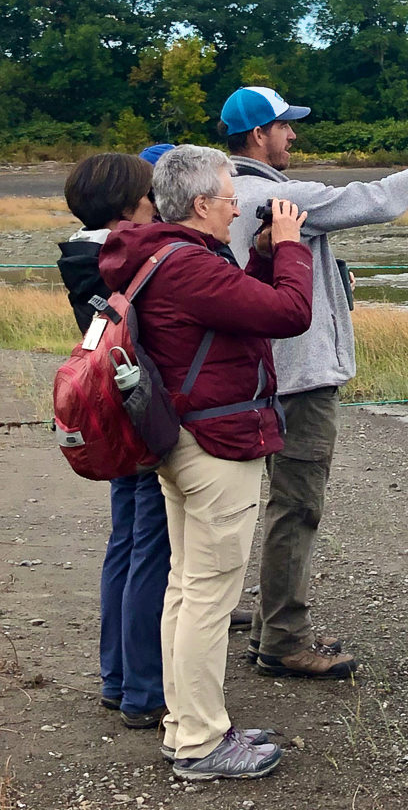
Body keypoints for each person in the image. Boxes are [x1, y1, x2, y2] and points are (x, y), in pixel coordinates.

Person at [219, 85, 408, 679]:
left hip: (249, 378)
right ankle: (284, 640)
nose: (293, 135)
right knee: (296, 508)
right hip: (297, 379)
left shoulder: (222, 194)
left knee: (263, 506)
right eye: (284, 126)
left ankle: (270, 627)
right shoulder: (277, 195)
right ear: (257, 136)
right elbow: (374, 200)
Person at [99, 145, 314, 781]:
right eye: (229, 198)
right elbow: (288, 313)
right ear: (200, 205)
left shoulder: (162, 256)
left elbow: (234, 303)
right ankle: (197, 741)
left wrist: (265, 255)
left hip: (181, 441)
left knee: (186, 587)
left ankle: (187, 720)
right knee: (208, 596)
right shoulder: (189, 266)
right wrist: (294, 247)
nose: (236, 208)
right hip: (216, 444)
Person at [57, 153, 170, 730]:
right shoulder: (124, 259)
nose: (157, 204)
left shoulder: (80, 254)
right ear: (128, 205)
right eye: (150, 195)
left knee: (125, 544)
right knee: (153, 549)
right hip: (144, 420)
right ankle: (146, 691)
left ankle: (117, 678)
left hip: (112, 418)